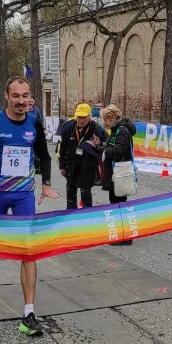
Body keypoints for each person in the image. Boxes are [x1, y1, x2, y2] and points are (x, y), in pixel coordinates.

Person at [0, 76, 59, 337]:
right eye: (16, 96)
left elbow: (44, 157)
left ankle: (29, 313)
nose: (21, 101)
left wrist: (46, 184)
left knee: (29, 251)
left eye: (25, 96)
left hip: (23, 196)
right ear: (6, 96)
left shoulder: (34, 122)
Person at [99, 104, 136, 246]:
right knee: (116, 202)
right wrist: (101, 147)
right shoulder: (117, 130)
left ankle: (125, 237)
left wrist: (105, 150)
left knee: (119, 204)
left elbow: (118, 151)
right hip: (116, 171)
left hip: (120, 172)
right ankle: (122, 234)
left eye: (107, 119)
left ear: (113, 118)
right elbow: (112, 147)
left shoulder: (122, 131)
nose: (105, 122)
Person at [58, 103, 105, 209]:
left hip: (88, 166)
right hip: (71, 165)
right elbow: (63, 147)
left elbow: (107, 144)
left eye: (84, 117)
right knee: (70, 193)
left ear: (89, 116)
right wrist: (62, 166)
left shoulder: (97, 129)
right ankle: (70, 214)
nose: (81, 120)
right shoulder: (69, 126)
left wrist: (99, 144)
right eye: (79, 117)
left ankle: (87, 216)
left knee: (85, 194)